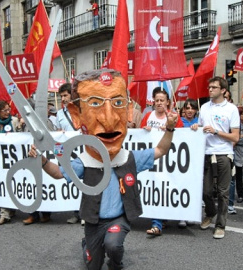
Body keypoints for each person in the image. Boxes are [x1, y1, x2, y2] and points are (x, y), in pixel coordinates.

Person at [29, 69, 177, 269]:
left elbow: (160, 149)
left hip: (118, 219)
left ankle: (116, 263)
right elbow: (57, 173)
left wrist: (169, 128)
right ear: (77, 115)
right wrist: (42, 161)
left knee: (113, 245)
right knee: (93, 265)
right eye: (95, 104)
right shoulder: (84, 161)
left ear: (127, 110)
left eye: (117, 103)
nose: (109, 120)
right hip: (94, 221)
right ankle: (89, 247)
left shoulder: (129, 158)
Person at [190, 76, 240, 239]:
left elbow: (235, 137)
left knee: (223, 192)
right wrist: (196, 127)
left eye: (214, 87)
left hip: (224, 154)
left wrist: (217, 132)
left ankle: (220, 225)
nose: (210, 89)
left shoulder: (231, 109)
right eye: (209, 87)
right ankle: (210, 212)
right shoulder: (204, 107)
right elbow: (200, 128)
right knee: (206, 191)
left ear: (223, 90)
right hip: (206, 153)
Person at [140, 89, 183, 235]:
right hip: (152, 158)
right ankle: (157, 222)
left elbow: (183, 136)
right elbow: (140, 137)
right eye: (156, 100)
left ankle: (166, 217)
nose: (159, 103)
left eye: (162, 100)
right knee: (154, 188)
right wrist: (144, 130)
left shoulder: (174, 116)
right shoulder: (147, 116)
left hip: (169, 160)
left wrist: (170, 129)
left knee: (166, 188)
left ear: (168, 102)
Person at [0, 100, 20, 225]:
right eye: (5, 110)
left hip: (12, 157)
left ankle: (11, 208)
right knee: (2, 184)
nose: (8, 112)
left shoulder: (14, 121)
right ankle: (4, 213)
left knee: (12, 183)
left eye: (8, 109)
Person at [55, 83, 83, 224]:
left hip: (82, 150)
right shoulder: (59, 114)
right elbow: (56, 135)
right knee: (72, 181)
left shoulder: (81, 110)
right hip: (69, 152)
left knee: (84, 181)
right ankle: (75, 212)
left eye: (65, 95)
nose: (63, 99)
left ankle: (84, 213)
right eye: (61, 96)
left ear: (72, 95)